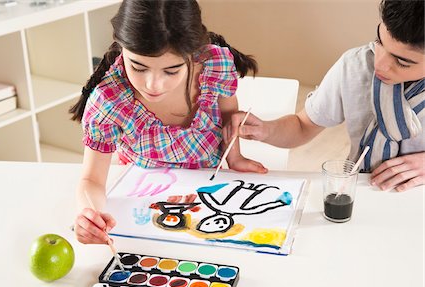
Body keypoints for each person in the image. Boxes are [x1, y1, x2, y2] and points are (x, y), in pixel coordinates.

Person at [70, 0, 267, 244]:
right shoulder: (110, 100)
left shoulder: (214, 64)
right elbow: (91, 180)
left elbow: (229, 115)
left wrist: (234, 157)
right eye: (138, 67)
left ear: (194, 52)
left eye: (171, 71)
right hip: (145, 196)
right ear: (122, 48)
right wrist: (90, 214)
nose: (153, 85)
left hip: (207, 188)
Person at [225, 0, 424, 192]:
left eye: (402, 62)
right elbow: (303, 126)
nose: (379, 64)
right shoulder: (356, 65)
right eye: (379, 41)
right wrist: (266, 130)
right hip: (359, 191)